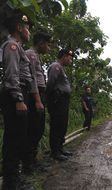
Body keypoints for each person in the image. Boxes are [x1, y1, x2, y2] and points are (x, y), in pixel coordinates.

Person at [0, 14, 36, 189]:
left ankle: (14, 176)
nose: (29, 31)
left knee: (19, 136)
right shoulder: (12, 46)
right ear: (19, 28)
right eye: (27, 27)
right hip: (15, 94)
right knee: (13, 137)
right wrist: (18, 98)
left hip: (20, 93)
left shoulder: (19, 48)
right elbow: (12, 75)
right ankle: (10, 181)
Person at [25, 32, 51, 172]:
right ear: (40, 42)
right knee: (34, 129)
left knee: (38, 129)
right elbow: (32, 79)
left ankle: (32, 161)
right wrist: (37, 100)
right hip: (35, 95)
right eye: (47, 44)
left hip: (39, 94)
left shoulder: (35, 56)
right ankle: (29, 164)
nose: (48, 47)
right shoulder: (31, 54)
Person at [46, 49, 74, 161]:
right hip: (57, 100)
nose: (70, 60)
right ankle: (55, 152)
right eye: (69, 57)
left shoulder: (61, 68)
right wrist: (50, 99)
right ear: (63, 56)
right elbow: (51, 83)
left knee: (62, 124)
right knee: (57, 125)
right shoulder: (55, 66)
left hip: (63, 100)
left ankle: (60, 148)